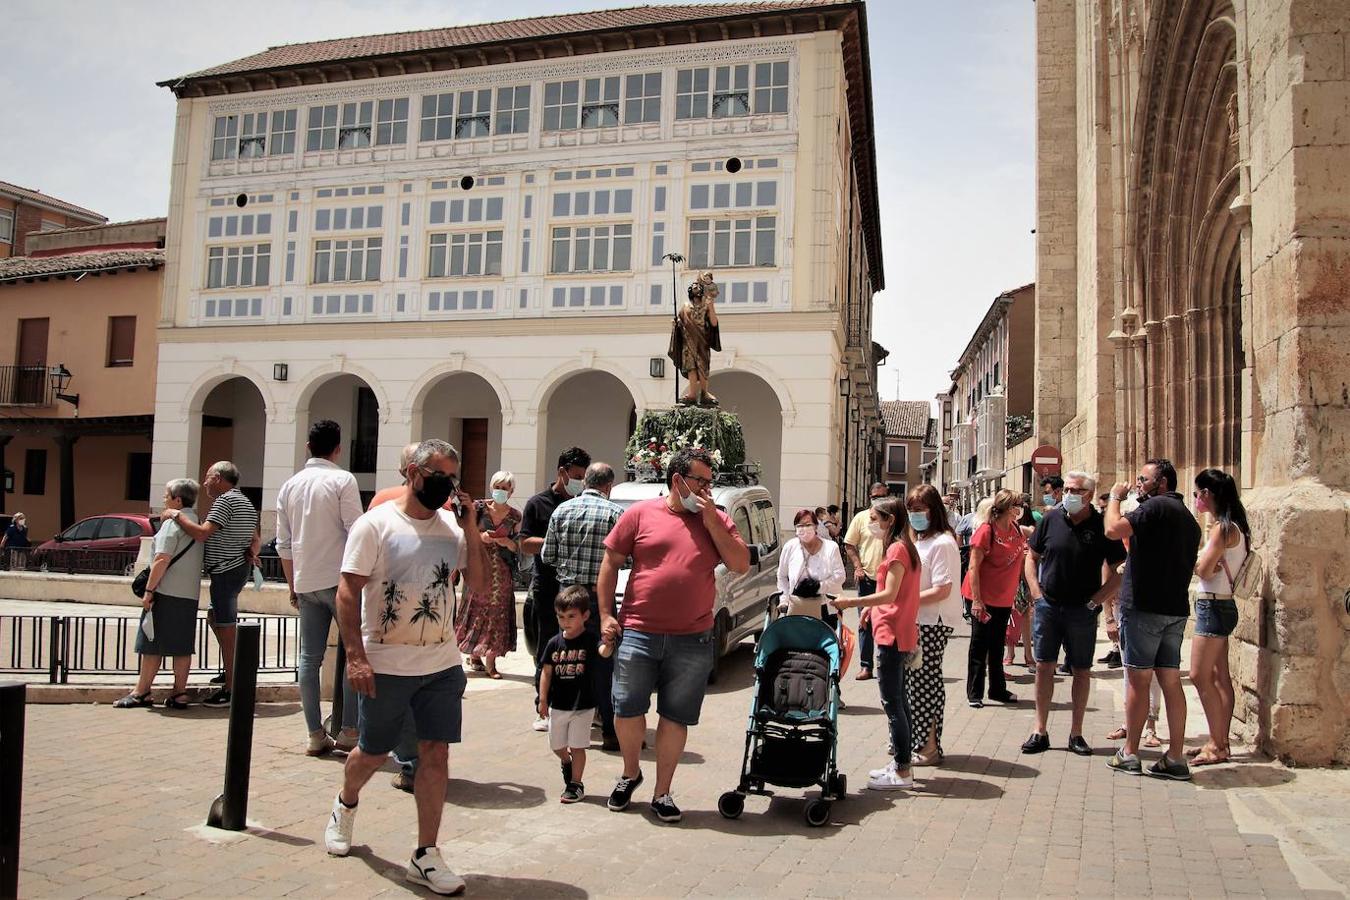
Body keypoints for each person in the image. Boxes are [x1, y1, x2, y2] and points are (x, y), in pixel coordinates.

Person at [324, 439, 487, 895]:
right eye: (439, 475)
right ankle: (346, 802)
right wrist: (355, 656)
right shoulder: (375, 525)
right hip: (385, 664)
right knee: (372, 754)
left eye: (453, 477)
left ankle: (426, 854)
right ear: (413, 474)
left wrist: (470, 527)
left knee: (436, 754)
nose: (447, 485)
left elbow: (476, 583)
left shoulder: (451, 530)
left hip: (440, 664)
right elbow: (347, 592)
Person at [597, 448, 749, 823]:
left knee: (675, 716)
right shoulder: (638, 514)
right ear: (678, 480)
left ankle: (662, 792)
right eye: (701, 481)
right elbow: (610, 563)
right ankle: (631, 773)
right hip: (637, 632)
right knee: (626, 709)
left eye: (710, 483)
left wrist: (712, 519)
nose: (707, 489)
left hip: (693, 637)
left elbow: (740, 564)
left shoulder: (717, 518)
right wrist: (604, 615)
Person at [1105, 458, 1202, 780]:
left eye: (1143, 479)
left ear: (1161, 484)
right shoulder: (1189, 519)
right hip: (1174, 610)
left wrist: (1116, 498)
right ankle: (1174, 757)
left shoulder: (1156, 507)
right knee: (1171, 681)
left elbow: (1112, 529)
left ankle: (1130, 752)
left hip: (1144, 607)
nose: (1137, 484)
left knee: (1138, 680)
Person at [1020, 471, 1125, 756]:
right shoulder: (1052, 519)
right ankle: (1039, 730)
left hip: (1082, 610)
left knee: (1081, 670)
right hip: (1049, 607)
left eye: (1075, 490)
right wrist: (1036, 592)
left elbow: (1118, 570)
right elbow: (1032, 557)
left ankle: (1076, 733)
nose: (1068, 494)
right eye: (1066, 489)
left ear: (1089, 494)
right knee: (1044, 667)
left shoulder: (1102, 525)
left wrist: (1097, 601)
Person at [277, 420, 364, 756]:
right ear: (338, 448)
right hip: (340, 581)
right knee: (353, 655)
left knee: (309, 659)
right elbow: (356, 531)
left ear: (308, 446)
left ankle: (314, 733)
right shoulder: (343, 479)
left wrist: (292, 585)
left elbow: (284, 544)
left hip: (305, 580)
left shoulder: (289, 486)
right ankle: (349, 730)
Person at [833, 497, 921, 790]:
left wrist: (853, 601)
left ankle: (903, 770)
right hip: (894, 630)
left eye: (875, 518)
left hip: (893, 634)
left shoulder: (897, 549)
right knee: (899, 700)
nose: (871, 523)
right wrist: (869, 610)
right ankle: (900, 762)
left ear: (890, 520)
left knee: (893, 703)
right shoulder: (901, 547)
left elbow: (890, 594)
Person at [162, 460, 260, 706]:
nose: (204, 482)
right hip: (235, 569)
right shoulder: (244, 501)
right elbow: (256, 538)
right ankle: (231, 671)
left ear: (218, 477)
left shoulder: (225, 501)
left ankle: (232, 686)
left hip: (226, 571)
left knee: (227, 628)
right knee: (215, 618)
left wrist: (176, 515)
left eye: (207, 477)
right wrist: (249, 552)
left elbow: (202, 533)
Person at [541, 461, 624, 749]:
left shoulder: (561, 510)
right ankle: (610, 730)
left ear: (586, 481)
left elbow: (547, 555)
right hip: (598, 599)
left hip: (567, 597)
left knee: (566, 662)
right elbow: (625, 560)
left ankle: (564, 723)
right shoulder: (616, 514)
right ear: (609, 486)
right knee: (603, 664)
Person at [114, 480, 205, 710]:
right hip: (189, 594)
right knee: (183, 646)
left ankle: (141, 691)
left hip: (165, 592)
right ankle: (179, 692)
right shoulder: (196, 523)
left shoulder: (172, 525)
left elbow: (161, 559)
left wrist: (149, 591)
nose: (164, 500)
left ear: (177, 500)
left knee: (151, 642)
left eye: (166, 495)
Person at [522, 446, 592, 731]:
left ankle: (577, 708)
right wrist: (555, 540)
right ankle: (544, 708)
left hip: (576, 593)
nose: (579, 482)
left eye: (584, 477)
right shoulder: (538, 503)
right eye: (576, 476)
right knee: (548, 650)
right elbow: (524, 543)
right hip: (548, 589)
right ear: (562, 472)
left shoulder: (583, 504)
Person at [1188, 467, 1249, 766]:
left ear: (1208, 494)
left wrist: (1199, 562)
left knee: (1199, 675)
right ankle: (1220, 741)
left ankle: (1216, 744)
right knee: (1219, 677)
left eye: (1198, 494)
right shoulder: (1236, 526)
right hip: (1222, 604)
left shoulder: (1222, 528)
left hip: (1212, 606)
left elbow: (1203, 569)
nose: (1196, 499)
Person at [906, 485, 961, 766]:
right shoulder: (920, 540)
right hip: (917, 620)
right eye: (911, 509)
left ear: (933, 510)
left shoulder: (942, 543)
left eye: (919, 509)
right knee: (914, 685)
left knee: (925, 684)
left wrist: (906, 600)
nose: (914, 515)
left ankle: (929, 747)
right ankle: (919, 741)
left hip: (932, 621)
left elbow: (943, 588)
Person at [538, 585, 605, 804]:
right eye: (561, 616)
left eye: (571, 616)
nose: (565, 621)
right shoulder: (553, 643)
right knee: (556, 745)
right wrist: (543, 699)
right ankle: (565, 761)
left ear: (585, 616)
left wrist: (610, 644)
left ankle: (576, 784)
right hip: (558, 705)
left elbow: (602, 651)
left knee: (578, 746)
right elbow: (546, 673)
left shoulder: (590, 639)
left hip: (583, 705)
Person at [962, 490, 1026, 708]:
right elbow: (973, 567)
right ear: (1008, 508)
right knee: (979, 645)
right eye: (1017, 505)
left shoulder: (1016, 528)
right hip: (982, 597)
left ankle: (997, 690)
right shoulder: (986, 531)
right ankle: (974, 692)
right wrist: (977, 601)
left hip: (1004, 598)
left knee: (997, 645)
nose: (1020, 510)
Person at [454, 470, 521, 679]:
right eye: (497, 487)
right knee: (475, 609)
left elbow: (518, 545)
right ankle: (475, 654)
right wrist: (480, 536)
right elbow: (464, 531)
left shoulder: (515, 516)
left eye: (505, 488)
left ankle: (491, 660)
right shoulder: (479, 508)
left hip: (501, 571)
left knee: (497, 613)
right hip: (478, 566)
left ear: (511, 491)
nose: (500, 491)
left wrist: (506, 542)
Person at [844, 483, 890, 680]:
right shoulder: (861, 518)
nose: (877, 499)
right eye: (874, 496)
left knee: (887, 622)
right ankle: (866, 666)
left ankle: (885, 664)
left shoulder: (893, 519)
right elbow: (849, 544)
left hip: (890, 581)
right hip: (867, 579)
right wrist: (858, 567)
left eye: (881, 496)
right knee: (865, 623)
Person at [776, 509, 846, 619]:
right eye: (800, 526)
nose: (804, 529)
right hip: (797, 605)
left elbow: (840, 576)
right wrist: (784, 599)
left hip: (826, 606)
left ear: (816, 526)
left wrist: (818, 587)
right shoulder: (790, 547)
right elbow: (782, 576)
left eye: (808, 525)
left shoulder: (831, 548)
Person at [669, 272, 721, 406]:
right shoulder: (685, 307)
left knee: (703, 367)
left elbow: (714, 323)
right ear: (690, 291)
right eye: (693, 286)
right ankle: (692, 394)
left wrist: (711, 307)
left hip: (702, 341)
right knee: (691, 368)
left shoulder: (707, 305)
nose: (695, 286)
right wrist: (676, 324)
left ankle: (704, 393)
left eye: (697, 285)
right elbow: (681, 323)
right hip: (689, 342)